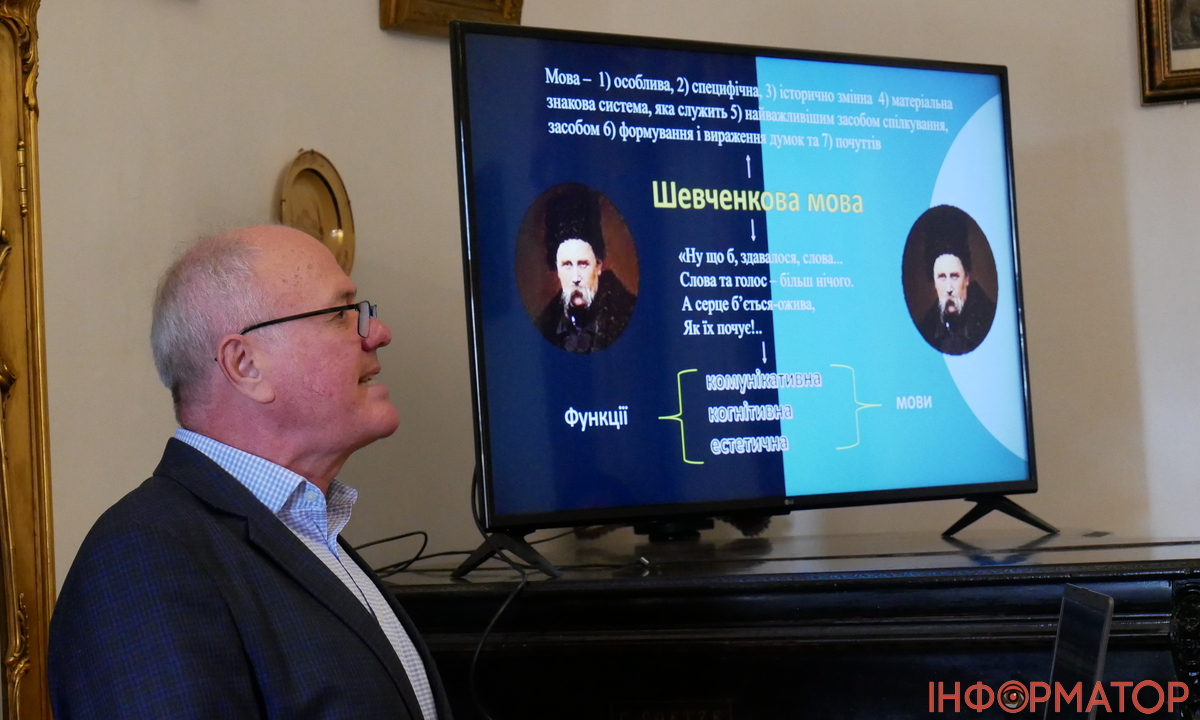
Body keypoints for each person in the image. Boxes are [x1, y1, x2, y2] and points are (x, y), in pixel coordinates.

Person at [48, 226, 450, 719]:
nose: (378, 333)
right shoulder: (143, 558)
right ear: (245, 365)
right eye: (341, 314)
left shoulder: (309, 531)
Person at [535, 184, 637, 353]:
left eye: (583, 264)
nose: (576, 278)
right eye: (567, 265)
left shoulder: (626, 313)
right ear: (557, 270)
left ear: (598, 266)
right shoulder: (547, 324)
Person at [916, 207, 996, 355]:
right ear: (934, 282)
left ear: (967, 278)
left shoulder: (989, 319)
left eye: (954, 276)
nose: (949, 288)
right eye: (942, 277)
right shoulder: (927, 327)